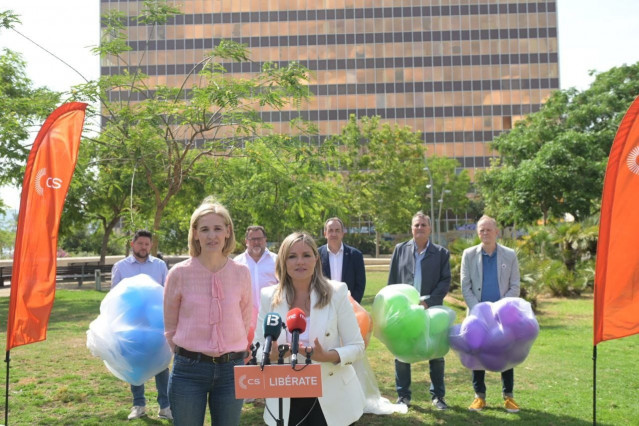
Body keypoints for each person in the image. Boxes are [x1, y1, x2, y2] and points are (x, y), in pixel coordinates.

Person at [254, 232, 366, 426]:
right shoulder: (268, 296)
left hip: (332, 397)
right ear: (283, 261)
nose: (300, 262)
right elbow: (256, 349)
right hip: (285, 400)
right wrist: (270, 355)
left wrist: (328, 356)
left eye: (306, 255)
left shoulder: (337, 292)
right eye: (292, 256)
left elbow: (357, 346)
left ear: (316, 258)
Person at [163, 198, 252, 425]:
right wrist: (190, 353)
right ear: (195, 233)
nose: (211, 235)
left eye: (217, 228)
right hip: (188, 371)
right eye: (204, 229)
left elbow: (245, 319)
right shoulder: (178, 274)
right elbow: (170, 327)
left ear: (227, 232)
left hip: (231, 371)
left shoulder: (241, 273)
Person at [387, 212, 451, 410]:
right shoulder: (400, 250)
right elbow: (392, 282)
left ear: (430, 229)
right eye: (416, 225)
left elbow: (445, 281)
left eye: (423, 225)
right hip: (406, 312)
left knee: (436, 354)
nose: (420, 228)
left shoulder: (441, 253)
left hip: (432, 311)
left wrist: (428, 302)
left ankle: (438, 396)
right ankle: (403, 396)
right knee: (401, 353)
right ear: (411, 228)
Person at [461, 215, 521, 413]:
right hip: (477, 316)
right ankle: (479, 397)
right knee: (477, 354)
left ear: (497, 232)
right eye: (481, 230)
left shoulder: (510, 254)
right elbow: (465, 286)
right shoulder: (468, 255)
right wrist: (479, 311)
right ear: (478, 233)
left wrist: (498, 310)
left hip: (503, 316)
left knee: (506, 354)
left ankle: (508, 397)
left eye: (489, 229)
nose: (485, 233)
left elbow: (515, 286)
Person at [110, 229, 171, 421]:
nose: (143, 247)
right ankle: (139, 404)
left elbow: (168, 293)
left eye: (147, 244)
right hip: (131, 324)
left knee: (161, 364)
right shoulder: (121, 267)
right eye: (140, 244)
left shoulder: (160, 266)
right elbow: (114, 296)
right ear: (132, 244)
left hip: (156, 324)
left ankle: (165, 406)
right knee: (134, 364)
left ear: (151, 246)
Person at [233, 225, 278, 329]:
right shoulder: (237, 263)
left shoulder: (277, 261)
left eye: (259, 239)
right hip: (245, 318)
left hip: (272, 315)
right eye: (252, 239)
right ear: (246, 241)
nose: (256, 242)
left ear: (265, 240)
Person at [318, 217, 367, 303]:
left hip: (349, 305)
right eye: (331, 230)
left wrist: (353, 303)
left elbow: (360, 284)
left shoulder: (355, 255)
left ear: (342, 233)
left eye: (337, 230)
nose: (334, 234)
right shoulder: (316, 255)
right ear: (325, 234)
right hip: (323, 305)